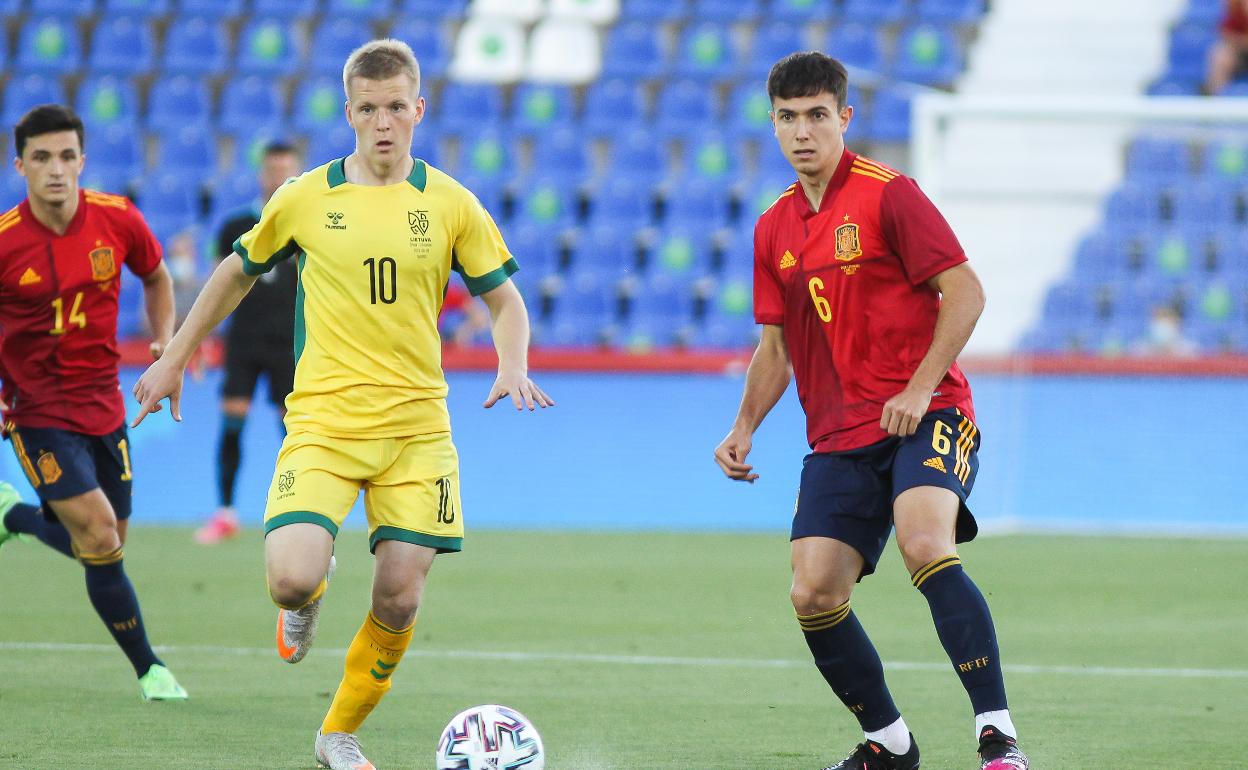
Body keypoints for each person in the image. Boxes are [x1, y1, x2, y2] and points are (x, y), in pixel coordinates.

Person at [130, 39, 552, 770]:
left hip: (418, 431)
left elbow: (506, 300)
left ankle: (336, 735)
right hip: (323, 422)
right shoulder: (304, 197)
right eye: (368, 109)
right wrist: (174, 356)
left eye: (396, 107)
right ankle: (307, 597)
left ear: (419, 110)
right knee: (289, 576)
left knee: (399, 596)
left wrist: (511, 362)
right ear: (348, 113)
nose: (383, 122)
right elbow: (236, 269)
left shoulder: (451, 203)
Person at [712, 53, 1029, 770]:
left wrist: (919, 387)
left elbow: (967, 292)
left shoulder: (890, 195)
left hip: (930, 413)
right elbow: (777, 345)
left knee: (925, 543)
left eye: (817, 115)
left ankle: (998, 735)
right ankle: (889, 744)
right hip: (839, 434)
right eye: (788, 118)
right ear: (773, 124)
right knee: (813, 589)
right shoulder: (772, 230)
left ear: (844, 119)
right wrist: (742, 428)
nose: (802, 132)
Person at [0, 104, 188, 701]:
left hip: (103, 406)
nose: (56, 170)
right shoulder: (4, 244)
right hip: (33, 413)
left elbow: (156, 276)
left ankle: (13, 517)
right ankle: (150, 669)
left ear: (82, 160)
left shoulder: (117, 219)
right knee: (101, 536)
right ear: (20, 165)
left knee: (106, 546)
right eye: (41, 158)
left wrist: (167, 345)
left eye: (66, 157)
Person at [195, 141, 303, 545]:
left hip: (289, 342)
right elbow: (216, 285)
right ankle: (224, 513)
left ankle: (294, 513)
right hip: (244, 339)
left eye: (287, 170)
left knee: (292, 432)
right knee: (232, 422)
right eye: (273, 169)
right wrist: (202, 337)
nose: (278, 178)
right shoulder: (234, 226)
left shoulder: (308, 223)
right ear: (262, 174)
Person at [1207, 0, 1248, 95]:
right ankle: (1215, 99)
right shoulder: (1236, 11)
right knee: (1221, 56)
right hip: (1241, 54)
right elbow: (1226, 34)